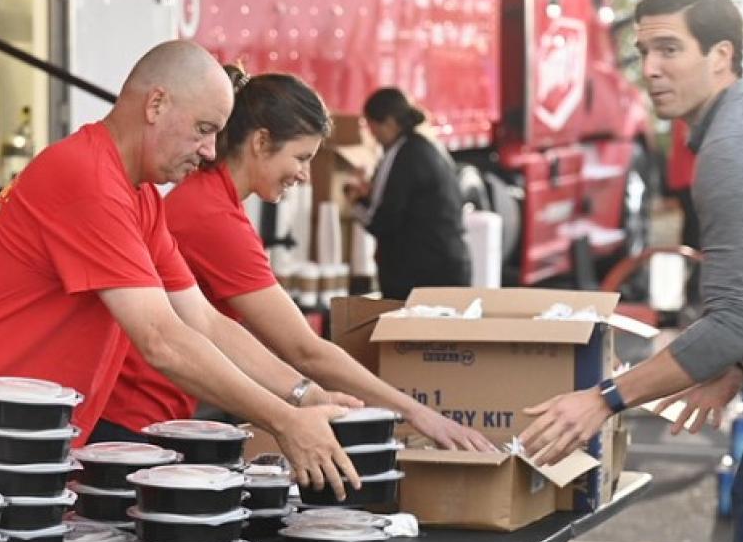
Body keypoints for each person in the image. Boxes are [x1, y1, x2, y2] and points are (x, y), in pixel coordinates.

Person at [0, 40, 363, 530]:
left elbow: (204, 322)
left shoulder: (137, 195)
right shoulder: (86, 177)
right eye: (204, 129)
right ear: (156, 104)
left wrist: (305, 397)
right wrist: (283, 420)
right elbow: (161, 341)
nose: (210, 151)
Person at [517, 0, 743, 542]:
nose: (652, 70)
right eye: (645, 53)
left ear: (721, 55)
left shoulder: (734, 145)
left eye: (670, 49)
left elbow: (733, 319)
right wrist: (740, 365)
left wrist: (602, 399)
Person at [96, 66, 493, 452]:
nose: (304, 175)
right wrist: (415, 412)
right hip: (135, 416)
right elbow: (303, 348)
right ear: (260, 142)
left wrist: (306, 396)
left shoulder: (210, 201)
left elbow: (225, 331)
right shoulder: (212, 216)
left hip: (151, 409)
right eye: (301, 158)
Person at [348, 88, 472, 300]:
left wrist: (355, 200)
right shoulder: (430, 147)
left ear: (388, 123)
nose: (372, 135)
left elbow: (380, 221)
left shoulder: (399, 153)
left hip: (416, 278)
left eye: (372, 126)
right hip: (450, 268)